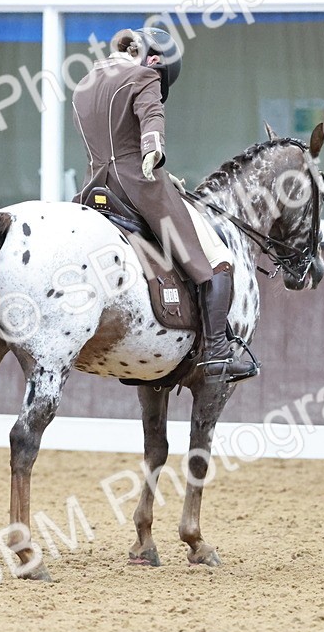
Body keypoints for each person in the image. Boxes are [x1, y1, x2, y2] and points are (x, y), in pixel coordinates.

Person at [72, 27, 257, 383]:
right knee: (216, 257)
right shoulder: (144, 76)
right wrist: (152, 149)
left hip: (95, 188)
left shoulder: (84, 84)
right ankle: (217, 352)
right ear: (154, 59)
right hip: (137, 186)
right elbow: (151, 116)